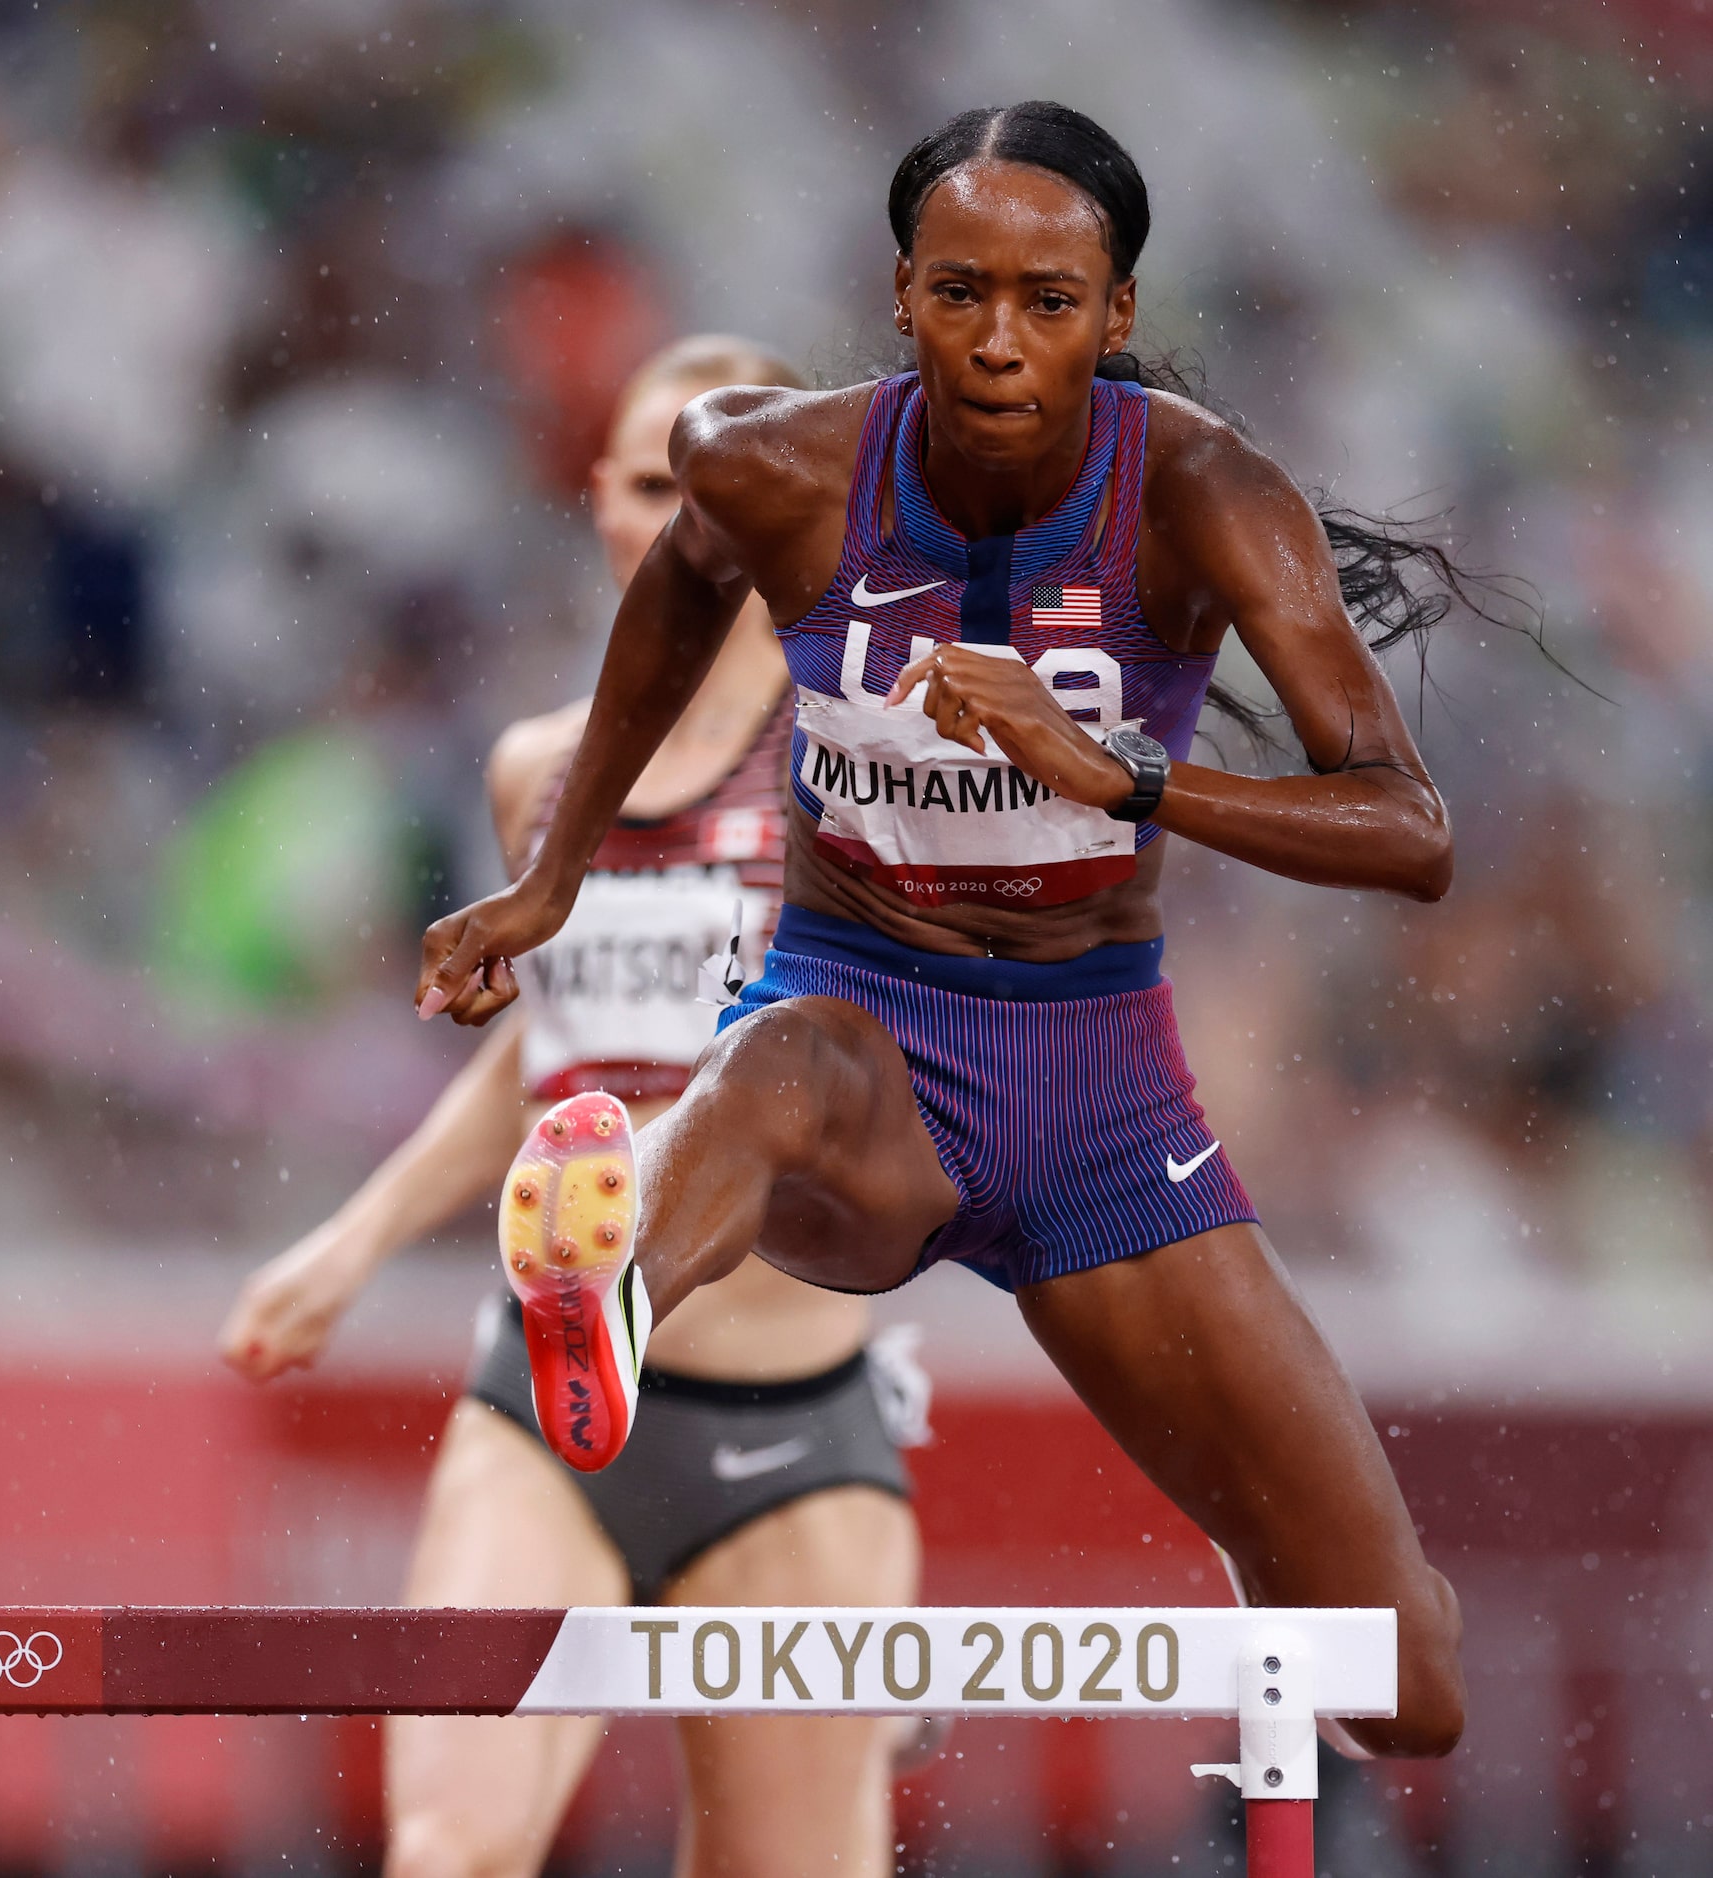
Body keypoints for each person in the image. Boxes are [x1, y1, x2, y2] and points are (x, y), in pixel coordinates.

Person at [417, 102, 1470, 1761]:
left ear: (1116, 318)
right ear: (898, 295)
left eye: (1050, 304)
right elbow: (679, 587)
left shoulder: (1203, 493)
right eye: (959, 293)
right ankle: (607, 1298)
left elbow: (1410, 831)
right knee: (774, 1061)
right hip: (864, 1032)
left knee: (1403, 1686)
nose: (999, 343)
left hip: (1104, 1094)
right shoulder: (779, 464)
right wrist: (554, 875)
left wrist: (1119, 774)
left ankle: (1255, 1545)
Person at [222, 336, 926, 1878]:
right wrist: (350, 1242)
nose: (683, 514)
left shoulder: (859, 778)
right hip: (547, 1416)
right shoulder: (537, 773)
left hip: (790, 1423)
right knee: (448, 1856)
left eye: (718, 478)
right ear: (599, 502)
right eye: (645, 481)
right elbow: (527, 1059)